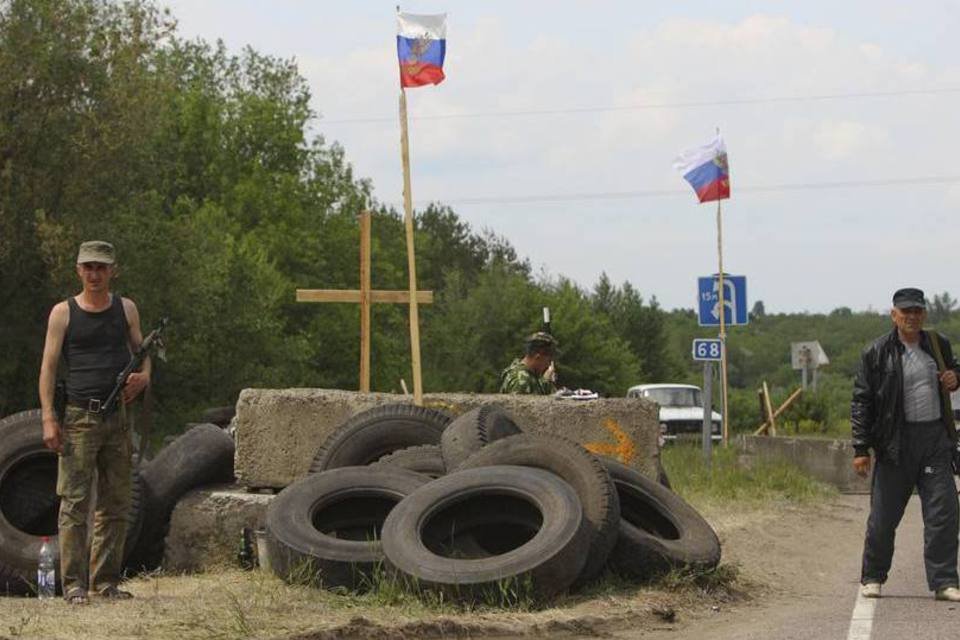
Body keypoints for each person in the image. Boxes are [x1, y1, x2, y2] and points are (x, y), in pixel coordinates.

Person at [38, 241, 150, 604]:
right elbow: (49, 368)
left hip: (118, 416)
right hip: (78, 417)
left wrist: (144, 377)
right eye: (88, 267)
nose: (95, 274)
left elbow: (143, 353)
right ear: (78, 270)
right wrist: (48, 418)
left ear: (112, 270)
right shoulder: (63, 313)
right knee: (74, 502)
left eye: (101, 268)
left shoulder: (126, 309)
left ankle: (106, 582)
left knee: (116, 502)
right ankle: (73, 585)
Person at [851, 287, 960, 601]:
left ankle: (944, 581)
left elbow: (954, 371)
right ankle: (873, 577)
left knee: (944, 513)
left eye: (917, 311)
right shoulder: (876, 352)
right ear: (894, 315)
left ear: (924, 314)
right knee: (883, 518)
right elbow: (862, 401)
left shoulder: (938, 345)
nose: (912, 317)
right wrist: (861, 448)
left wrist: (956, 378)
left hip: (935, 440)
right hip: (895, 443)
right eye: (905, 311)